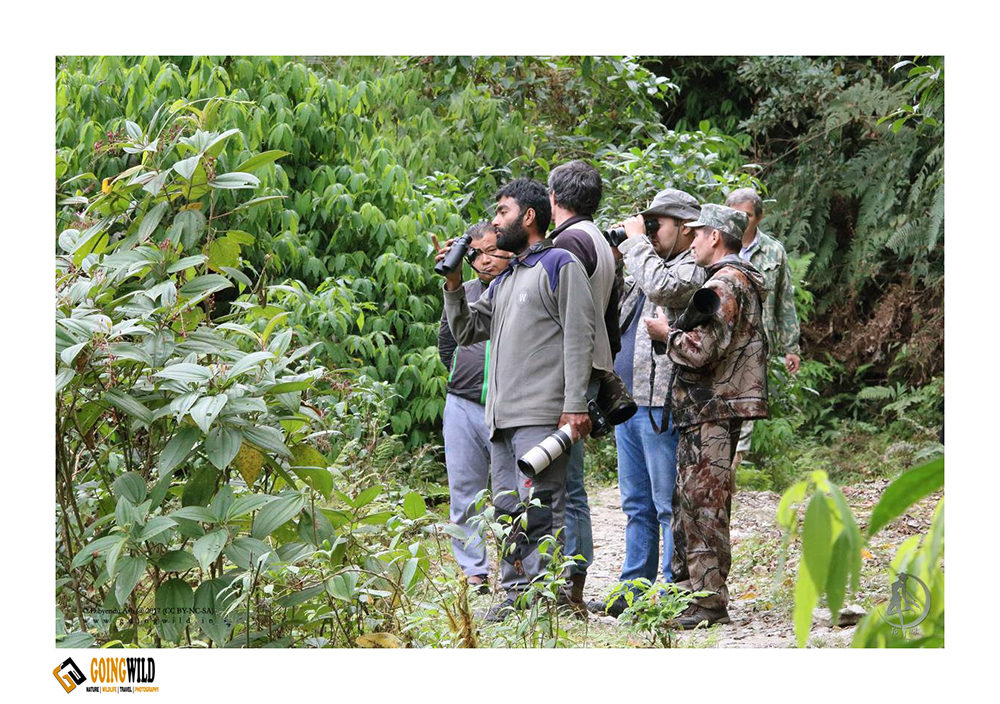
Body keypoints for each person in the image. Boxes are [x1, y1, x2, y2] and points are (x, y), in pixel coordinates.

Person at [435, 178, 597, 622]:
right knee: (509, 508)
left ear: (528, 216)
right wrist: (452, 285)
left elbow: (580, 337)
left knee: (542, 506)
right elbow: (467, 331)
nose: (495, 220)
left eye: (502, 211)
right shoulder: (506, 278)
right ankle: (515, 593)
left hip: (542, 414)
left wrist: (576, 403)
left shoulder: (559, 264)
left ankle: (548, 597)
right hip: (501, 418)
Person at [644, 203, 768, 628]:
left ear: (715, 237)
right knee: (690, 500)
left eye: (698, 233)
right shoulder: (732, 279)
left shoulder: (725, 283)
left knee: (703, 503)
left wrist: (667, 334)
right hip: (707, 406)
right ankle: (689, 594)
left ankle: (708, 601)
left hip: (712, 405)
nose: (691, 240)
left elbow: (703, 350)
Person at [587, 189, 706, 618]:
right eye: (648, 223)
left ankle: (673, 589)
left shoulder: (694, 265)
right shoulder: (646, 261)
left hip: (663, 402)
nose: (651, 232)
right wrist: (617, 253)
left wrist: (637, 243)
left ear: (686, 227)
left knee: (664, 503)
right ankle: (633, 587)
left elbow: (666, 288)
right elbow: (615, 303)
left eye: (659, 225)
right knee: (634, 501)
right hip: (629, 399)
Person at [545, 160, 620, 614]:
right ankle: (571, 579)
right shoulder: (599, 240)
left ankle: (569, 582)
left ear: (554, 198)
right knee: (570, 481)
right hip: (592, 365)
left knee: (565, 481)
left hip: (572, 369)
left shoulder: (570, 241)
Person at [437, 222, 514, 593]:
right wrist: (460, 373)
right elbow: (446, 344)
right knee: (464, 491)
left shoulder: (518, 287)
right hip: (462, 402)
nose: (484, 261)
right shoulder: (464, 290)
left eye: (492, 252)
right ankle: (474, 571)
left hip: (508, 406)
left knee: (509, 494)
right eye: (475, 254)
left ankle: (517, 570)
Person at [724, 188, 802, 471]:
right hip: (719, 341)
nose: (740, 221)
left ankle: (731, 467)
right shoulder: (715, 242)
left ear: (759, 217)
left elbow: (784, 301)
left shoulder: (773, 252)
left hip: (756, 344)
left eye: (745, 216)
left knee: (746, 408)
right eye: (734, 215)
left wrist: (791, 347)